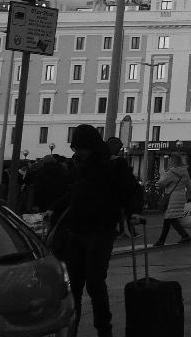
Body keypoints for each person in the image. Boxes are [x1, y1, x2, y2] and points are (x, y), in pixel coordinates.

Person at [49, 124, 135, 337]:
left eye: (80, 148)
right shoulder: (79, 166)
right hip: (76, 231)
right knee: (75, 286)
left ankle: (103, 329)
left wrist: (132, 212)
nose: (77, 152)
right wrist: (54, 207)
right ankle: (73, 328)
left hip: (100, 231)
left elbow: (131, 190)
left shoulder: (113, 165)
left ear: (91, 147)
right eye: (75, 148)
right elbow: (74, 195)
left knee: (95, 283)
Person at [154, 153, 191, 245]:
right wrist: (190, 197)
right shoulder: (185, 172)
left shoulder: (171, 172)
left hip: (172, 196)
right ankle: (161, 240)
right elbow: (190, 186)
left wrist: (163, 174)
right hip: (181, 196)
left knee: (171, 218)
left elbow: (160, 183)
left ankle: (185, 236)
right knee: (169, 218)